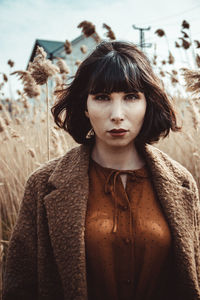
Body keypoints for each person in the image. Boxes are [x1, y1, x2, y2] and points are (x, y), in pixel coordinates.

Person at [2, 40, 200, 300]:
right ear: (85, 106)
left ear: (147, 104)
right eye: (102, 97)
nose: (117, 114)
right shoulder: (42, 184)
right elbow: (19, 286)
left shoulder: (182, 182)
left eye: (130, 97)